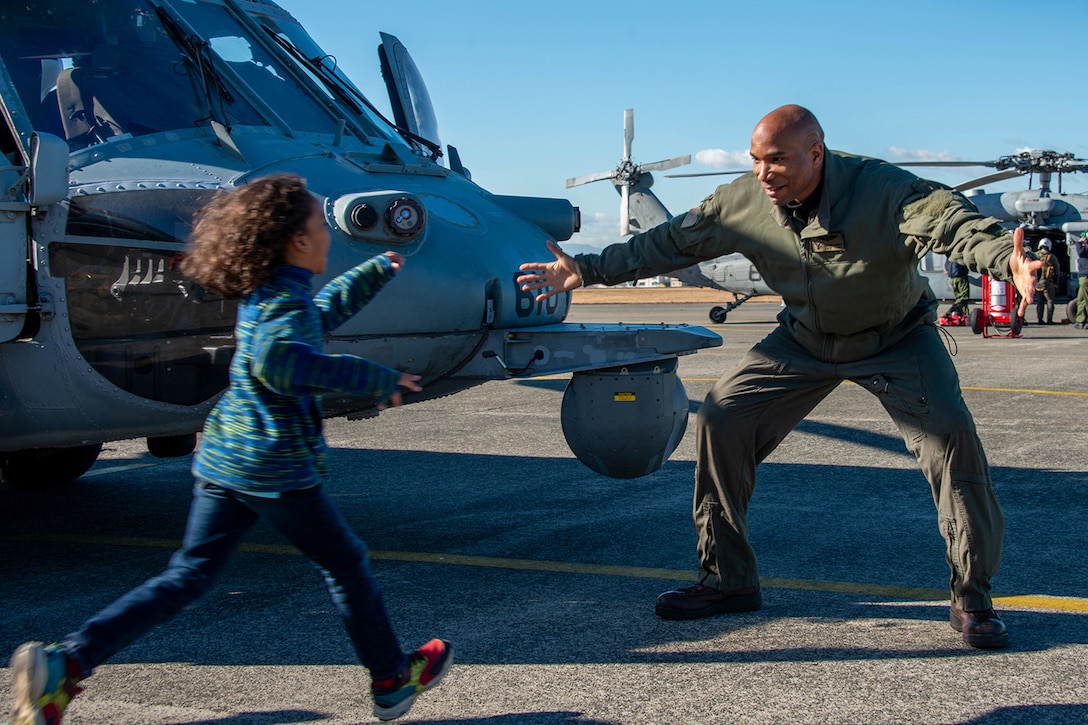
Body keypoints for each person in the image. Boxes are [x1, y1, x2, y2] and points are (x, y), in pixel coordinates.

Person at [518, 105, 1041, 650]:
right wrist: (588, 269)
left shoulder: (884, 189)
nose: (764, 172)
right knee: (723, 417)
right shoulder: (744, 201)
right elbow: (667, 243)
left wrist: (1008, 260)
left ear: (817, 154)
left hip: (896, 339)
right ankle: (727, 581)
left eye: (778, 160)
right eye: (755, 159)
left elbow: (953, 224)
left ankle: (972, 596)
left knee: (952, 440)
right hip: (805, 339)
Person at [8, 174, 452, 724]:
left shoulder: (274, 291)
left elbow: (318, 316)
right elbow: (282, 363)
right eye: (320, 225)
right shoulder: (283, 303)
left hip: (228, 458)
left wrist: (373, 272)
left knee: (187, 575)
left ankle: (66, 665)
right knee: (347, 565)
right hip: (275, 465)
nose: (328, 235)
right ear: (297, 241)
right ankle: (390, 680)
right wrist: (375, 380)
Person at [1033, 238, 1060, 325]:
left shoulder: (1035, 256)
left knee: (1040, 302)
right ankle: (1049, 320)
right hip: (1048, 283)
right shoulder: (1052, 257)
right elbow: (1057, 270)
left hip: (1037, 283)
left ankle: (1039, 320)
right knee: (1050, 301)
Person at [1072, 232, 1088, 330]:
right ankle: (1080, 320)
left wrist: (1078, 242)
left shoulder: (1085, 250)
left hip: (1086, 277)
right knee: (1081, 299)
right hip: (1083, 277)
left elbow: (1080, 252)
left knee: (1085, 299)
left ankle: (1082, 320)